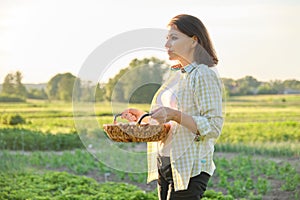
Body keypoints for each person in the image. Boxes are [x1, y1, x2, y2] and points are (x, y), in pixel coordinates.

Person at [121, 14, 223, 200]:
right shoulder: (177, 76)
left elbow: (213, 126)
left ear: (194, 41)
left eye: (174, 38)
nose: (167, 44)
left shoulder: (203, 74)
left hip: (189, 165)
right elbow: (171, 124)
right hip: (166, 162)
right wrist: (145, 117)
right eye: (167, 38)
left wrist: (174, 114)